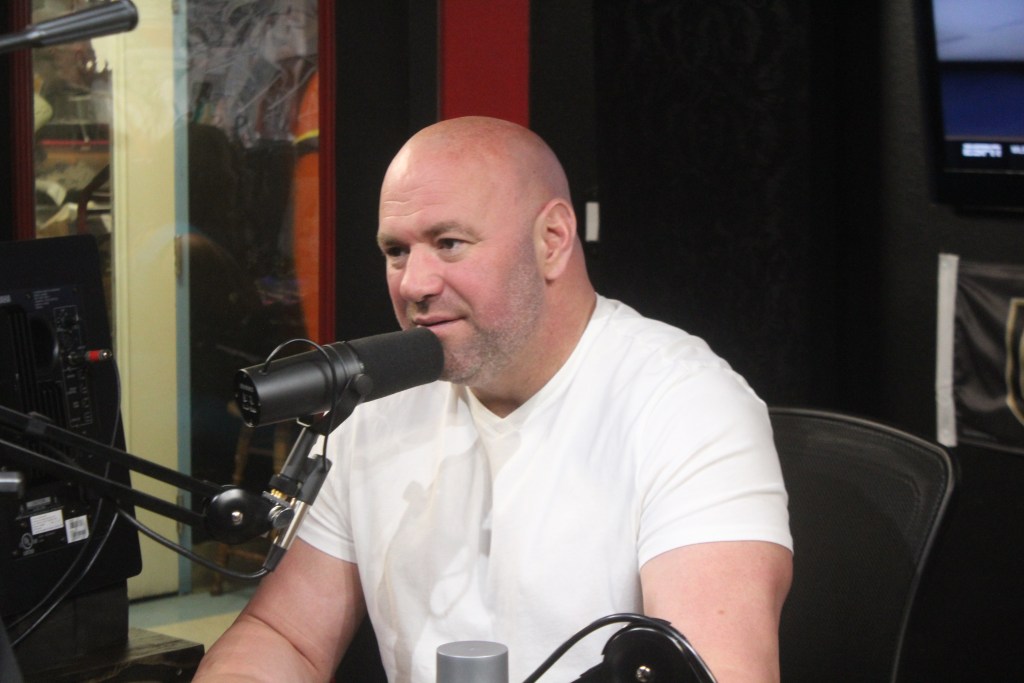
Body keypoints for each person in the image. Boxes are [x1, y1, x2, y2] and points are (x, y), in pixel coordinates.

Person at [194, 116, 793, 682]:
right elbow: (286, 635)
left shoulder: (687, 407)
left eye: (449, 243)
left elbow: (715, 669)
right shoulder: (378, 403)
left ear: (552, 240)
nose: (414, 284)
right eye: (396, 251)